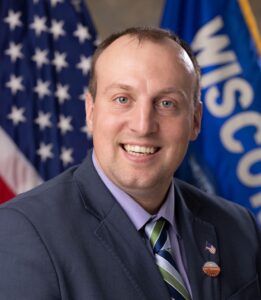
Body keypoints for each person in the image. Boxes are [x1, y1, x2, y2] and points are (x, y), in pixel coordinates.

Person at [0, 27, 260, 300]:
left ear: (195, 120)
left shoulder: (238, 227)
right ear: (91, 112)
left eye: (167, 103)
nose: (143, 125)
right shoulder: (24, 232)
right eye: (122, 99)